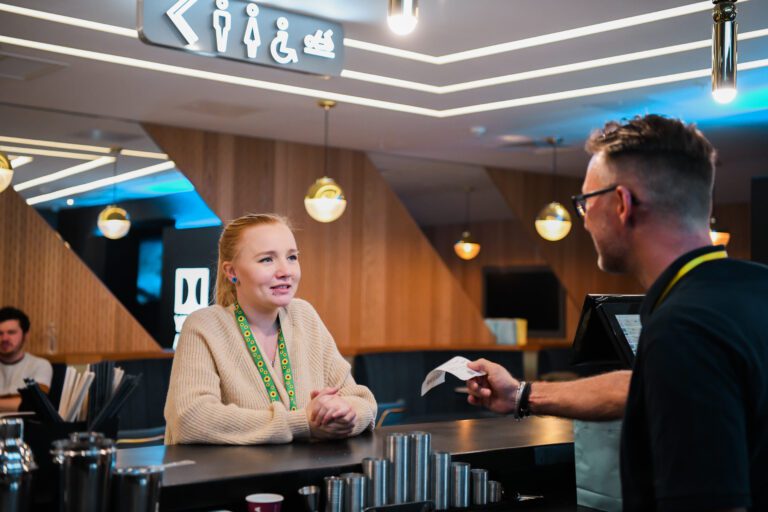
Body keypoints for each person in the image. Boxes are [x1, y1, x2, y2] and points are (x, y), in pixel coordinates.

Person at [467, 115, 767, 511]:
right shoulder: (752, 290)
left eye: (585, 202)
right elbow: (644, 384)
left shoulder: (683, 330)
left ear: (622, 203)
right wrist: (522, 394)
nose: (585, 218)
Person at [164, 213, 377, 444]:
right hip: (236, 478)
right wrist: (303, 422)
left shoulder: (304, 315)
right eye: (267, 260)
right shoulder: (204, 325)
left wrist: (345, 413)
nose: (285, 270)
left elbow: (361, 399)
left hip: (306, 475)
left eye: (292, 257)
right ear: (231, 271)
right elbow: (190, 419)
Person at [0, 306, 53, 412]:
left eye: (11, 332)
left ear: (25, 335)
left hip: (25, 427)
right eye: (0, 333)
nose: (4, 338)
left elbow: (35, 404)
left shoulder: (40, 365)